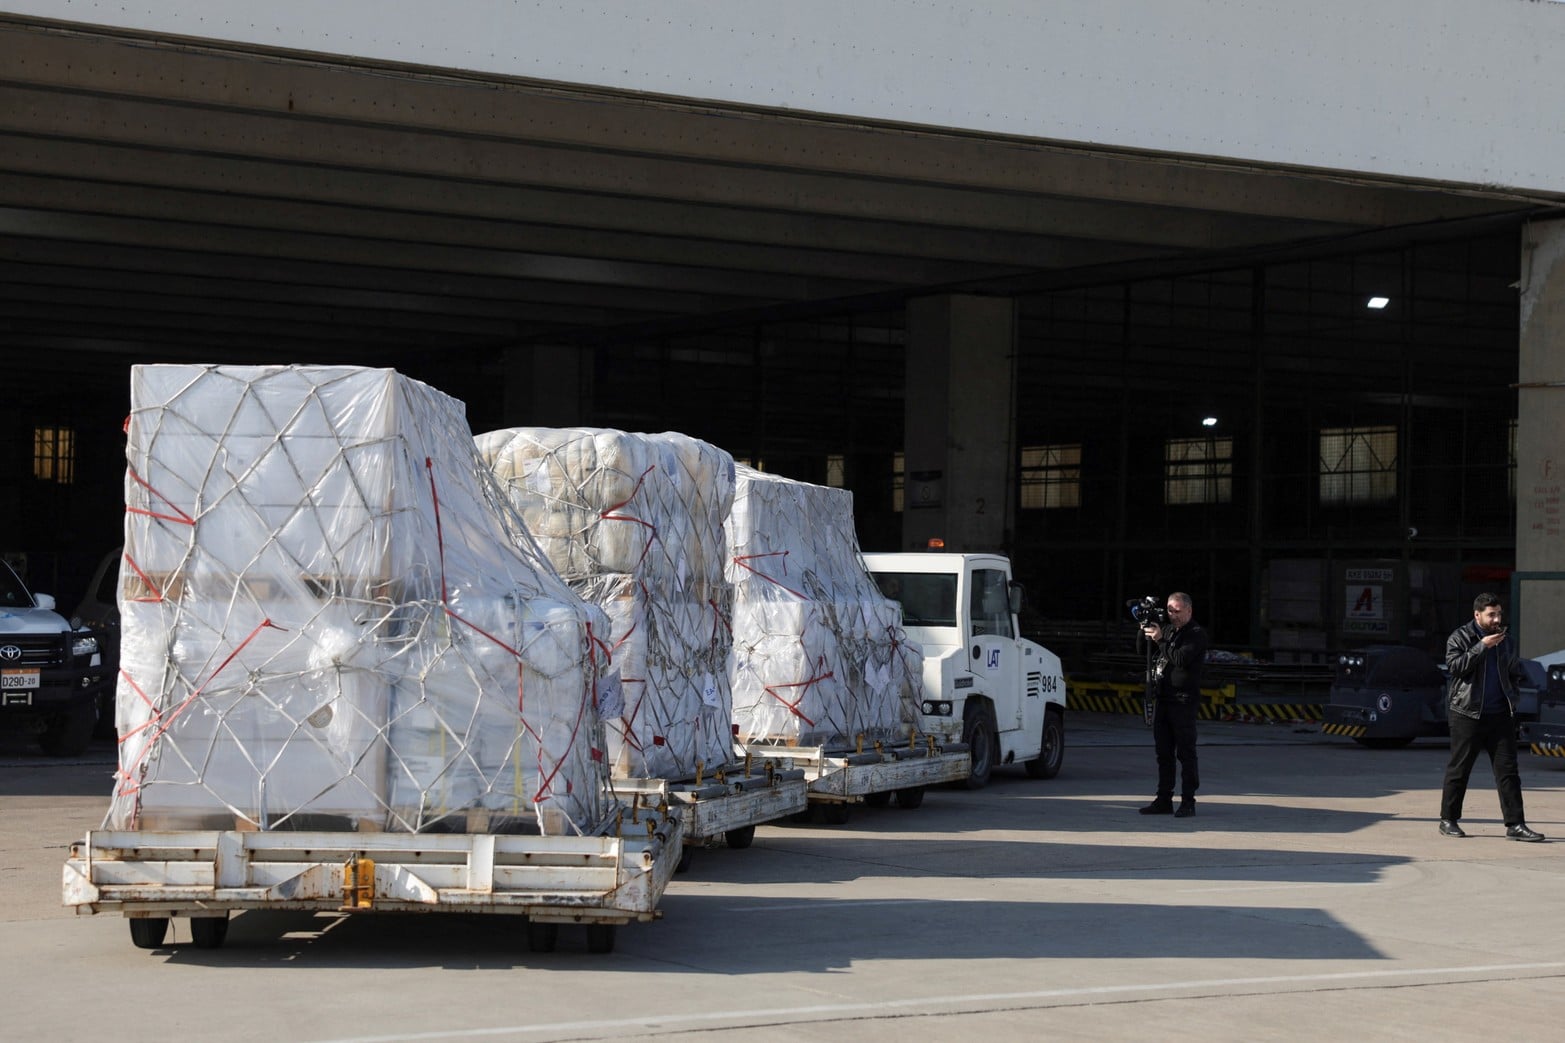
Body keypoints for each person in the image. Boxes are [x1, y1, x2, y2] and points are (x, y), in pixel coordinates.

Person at [1438, 593, 1545, 841]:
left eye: (1499, 613)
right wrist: (1482, 646)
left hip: (1500, 715)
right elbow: (1456, 667)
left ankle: (1515, 824)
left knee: (1508, 772)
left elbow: (1514, 672)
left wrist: (1513, 699)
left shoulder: (1507, 641)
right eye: (1491, 615)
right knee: (1460, 769)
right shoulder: (1460, 637)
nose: (1497, 619)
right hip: (1467, 713)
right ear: (1477, 615)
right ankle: (1448, 819)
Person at [1138, 592, 1207, 818]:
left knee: (1186, 753)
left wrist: (1159, 639)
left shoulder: (1195, 634)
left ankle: (1188, 801)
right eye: (1170, 611)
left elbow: (1180, 659)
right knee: (1164, 753)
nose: (1173, 616)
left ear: (1188, 610)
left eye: (1177, 611)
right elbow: (1142, 651)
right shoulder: (1167, 630)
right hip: (1164, 699)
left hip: (1183, 701)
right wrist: (1144, 629)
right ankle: (1163, 799)